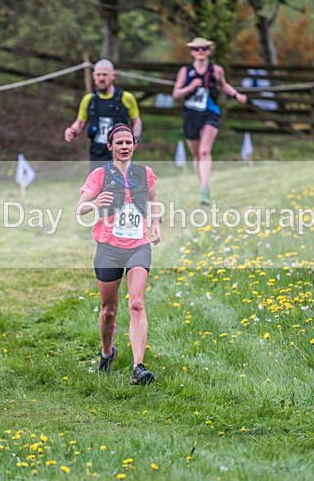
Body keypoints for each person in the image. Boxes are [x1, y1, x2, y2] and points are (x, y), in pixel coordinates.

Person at [76, 123, 161, 385]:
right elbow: (79, 209)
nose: (124, 147)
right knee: (108, 311)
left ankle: (138, 367)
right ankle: (107, 352)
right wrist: (93, 203)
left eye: (129, 142)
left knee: (137, 303)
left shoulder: (144, 173)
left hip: (138, 245)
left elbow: (153, 200)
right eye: (119, 143)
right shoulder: (100, 175)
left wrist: (156, 222)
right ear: (110, 147)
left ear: (134, 146)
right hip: (108, 248)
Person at [172, 37, 249, 205]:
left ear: (209, 51)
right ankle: (202, 186)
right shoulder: (185, 71)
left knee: (205, 151)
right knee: (197, 155)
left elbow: (224, 85)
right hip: (191, 114)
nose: (201, 52)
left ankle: (205, 188)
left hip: (210, 113)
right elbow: (176, 94)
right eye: (197, 49)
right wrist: (191, 87)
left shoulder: (216, 70)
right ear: (192, 51)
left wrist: (237, 95)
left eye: (204, 48)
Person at [64, 60, 143, 170]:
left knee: (119, 186)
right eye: (98, 74)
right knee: (97, 186)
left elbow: (136, 122)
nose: (101, 78)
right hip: (97, 153)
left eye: (105, 75)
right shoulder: (89, 100)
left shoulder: (126, 98)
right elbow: (80, 122)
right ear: (93, 76)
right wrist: (72, 130)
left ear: (113, 76)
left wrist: (136, 138)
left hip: (120, 154)